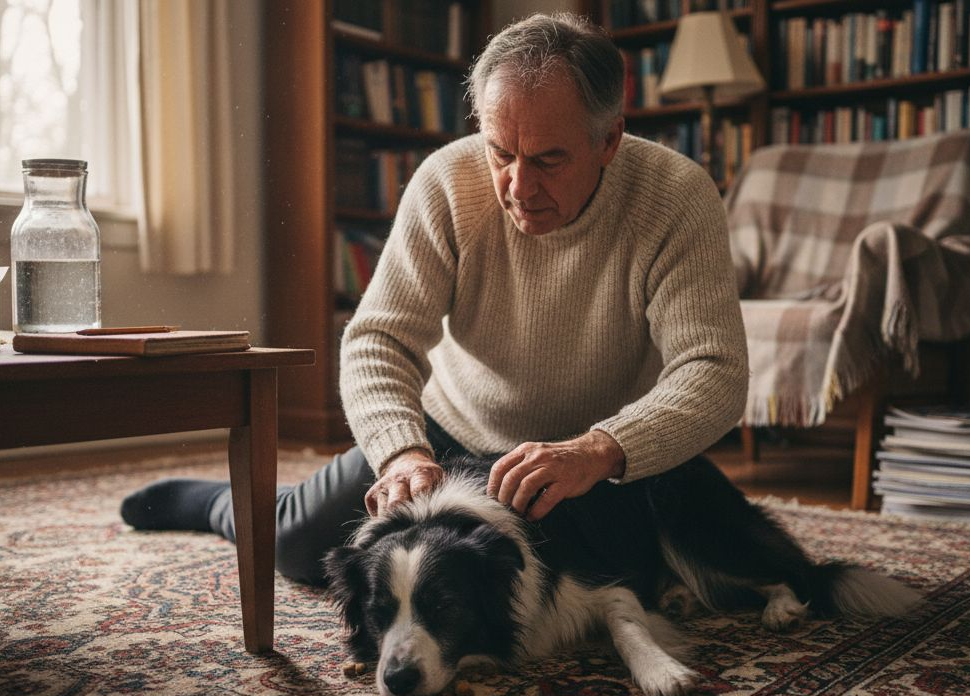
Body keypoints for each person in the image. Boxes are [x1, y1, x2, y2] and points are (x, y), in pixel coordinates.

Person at [121, 12, 748, 586]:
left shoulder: (677, 197)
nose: (518, 187)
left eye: (549, 160)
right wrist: (402, 452)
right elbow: (378, 341)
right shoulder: (448, 180)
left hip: (593, 455)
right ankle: (217, 504)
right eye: (501, 152)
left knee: (636, 580)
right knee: (295, 548)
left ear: (609, 140)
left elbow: (713, 370)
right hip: (452, 432)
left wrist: (602, 448)